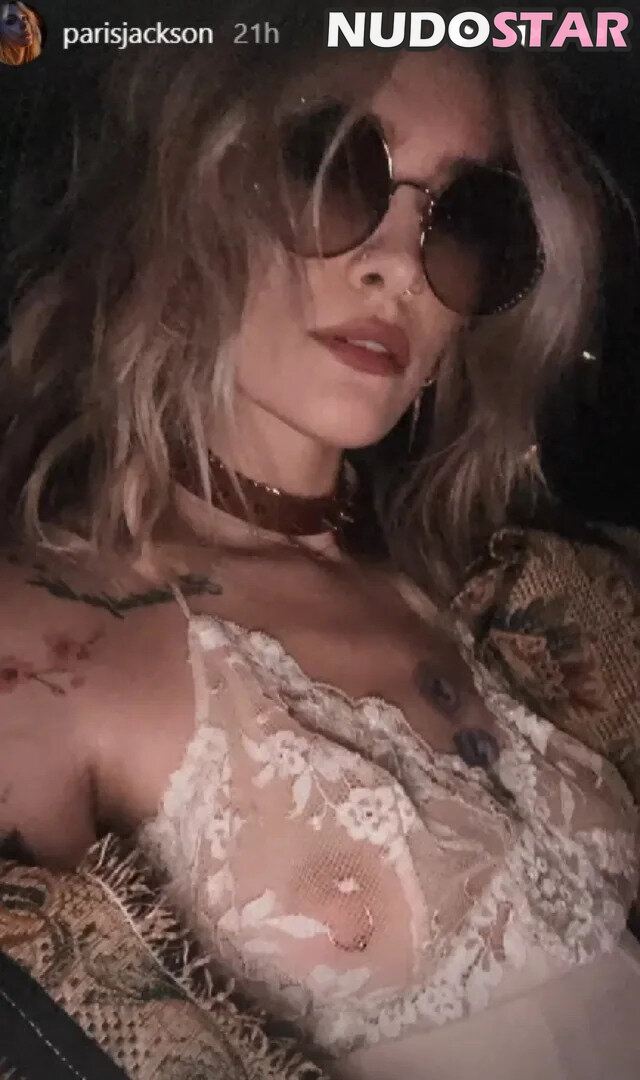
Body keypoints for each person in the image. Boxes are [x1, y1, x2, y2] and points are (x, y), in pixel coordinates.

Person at [1, 15, 640, 1079]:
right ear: (187, 190)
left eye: (466, 219)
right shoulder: (42, 651)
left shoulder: (500, 586)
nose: (399, 266)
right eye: (334, 169)